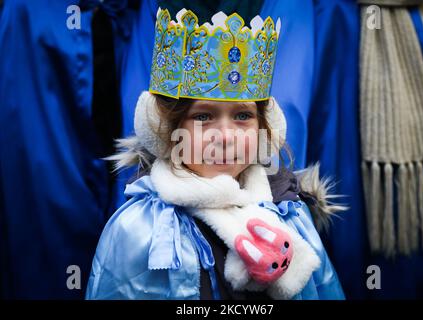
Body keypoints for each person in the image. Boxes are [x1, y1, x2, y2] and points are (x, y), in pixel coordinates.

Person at [85, 7, 345, 300]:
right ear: (169, 129)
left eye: (243, 116)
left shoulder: (290, 214)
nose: (226, 136)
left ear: (264, 127)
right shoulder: (141, 229)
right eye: (203, 117)